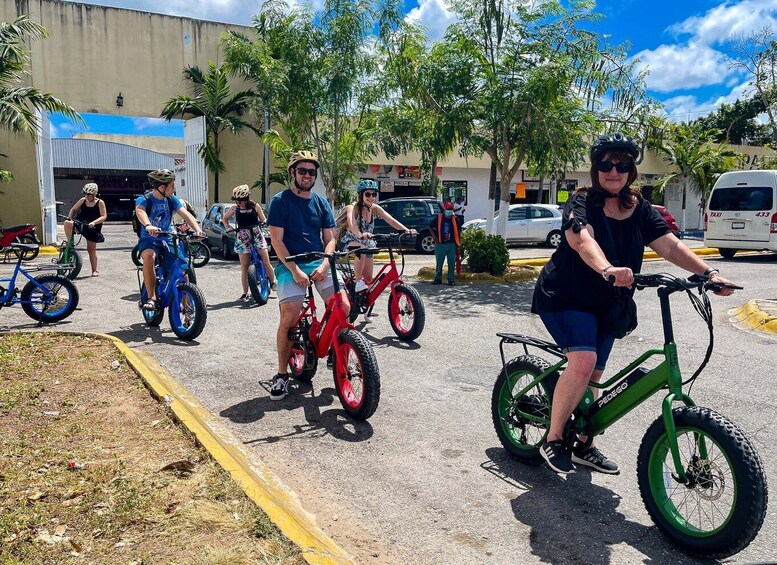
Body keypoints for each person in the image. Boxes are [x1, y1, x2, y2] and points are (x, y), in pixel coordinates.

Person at [531, 132, 737, 475]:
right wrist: (608, 268)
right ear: (596, 168)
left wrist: (709, 273)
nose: (614, 171)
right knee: (583, 362)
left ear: (631, 171)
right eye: (606, 164)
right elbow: (582, 240)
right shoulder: (581, 202)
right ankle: (552, 438)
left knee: (594, 375)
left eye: (622, 165)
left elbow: (669, 246)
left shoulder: (638, 208)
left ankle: (584, 443)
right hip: (565, 295)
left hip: (608, 302)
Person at [267, 150, 350, 401]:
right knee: (290, 316)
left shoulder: (321, 202)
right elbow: (277, 241)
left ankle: (337, 354)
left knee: (343, 306)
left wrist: (326, 263)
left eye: (311, 172)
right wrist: (294, 269)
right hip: (289, 263)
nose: (307, 175)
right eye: (302, 171)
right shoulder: (280, 201)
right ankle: (282, 374)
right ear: (293, 172)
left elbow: (330, 239)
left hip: (318, 261)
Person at [340, 179, 415, 320]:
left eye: (374, 194)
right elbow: (351, 224)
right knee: (360, 248)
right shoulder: (353, 207)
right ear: (361, 195)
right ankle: (357, 282)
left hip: (368, 243)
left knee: (369, 279)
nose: (371, 197)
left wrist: (407, 230)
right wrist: (359, 235)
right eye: (368, 194)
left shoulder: (375, 208)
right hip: (350, 241)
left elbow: (391, 220)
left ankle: (366, 306)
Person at [134, 169, 205, 311]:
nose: (174, 189)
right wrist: (148, 225)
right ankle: (151, 297)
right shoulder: (145, 199)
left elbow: (186, 215)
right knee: (149, 256)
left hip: (167, 238)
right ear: (162, 187)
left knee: (182, 270)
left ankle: (188, 308)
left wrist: (197, 229)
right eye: (172, 186)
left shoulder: (172, 199)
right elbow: (140, 211)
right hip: (149, 238)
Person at [222, 184, 277, 301]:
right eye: (236, 200)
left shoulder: (255, 206)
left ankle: (273, 282)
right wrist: (227, 227)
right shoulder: (234, 209)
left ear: (246, 199)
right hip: (242, 237)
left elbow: (263, 219)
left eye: (241, 201)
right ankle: (245, 293)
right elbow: (225, 218)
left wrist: (266, 222)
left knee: (266, 261)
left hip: (256, 234)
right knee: (244, 267)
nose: (238, 203)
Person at [64, 182, 107, 277]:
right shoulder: (82, 200)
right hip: (81, 223)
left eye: (89, 195)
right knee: (67, 223)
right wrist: (69, 217)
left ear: (94, 194)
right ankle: (69, 242)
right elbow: (73, 210)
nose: (87, 196)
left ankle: (94, 270)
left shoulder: (100, 202)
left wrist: (94, 222)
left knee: (91, 249)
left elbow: (104, 216)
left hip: (92, 227)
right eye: (85, 194)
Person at [429, 201, 460, 285]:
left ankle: (451, 279)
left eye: (451, 209)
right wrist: (435, 238)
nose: (449, 211)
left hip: (452, 244)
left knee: (451, 262)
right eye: (448, 209)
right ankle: (438, 278)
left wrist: (458, 245)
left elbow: (459, 231)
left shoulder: (456, 219)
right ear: (444, 209)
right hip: (440, 244)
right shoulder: (439, 218)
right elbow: (430, 227)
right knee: (439, 262)